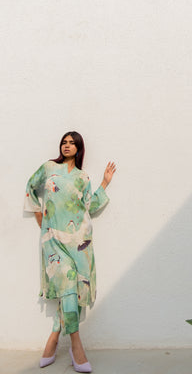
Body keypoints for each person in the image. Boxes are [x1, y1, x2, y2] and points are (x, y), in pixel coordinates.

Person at [24, 131, 116, 372]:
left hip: (79, 241)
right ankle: (76, 344)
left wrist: (104, 183)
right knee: (67, 280)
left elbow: (89, 207)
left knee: (72, 287)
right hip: (53, 240)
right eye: (64, 142)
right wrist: (39, 215)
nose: (67, 146)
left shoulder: (82, 177)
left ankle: (54, 336)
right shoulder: (48, 168)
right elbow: (30, 186)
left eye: (72, 143)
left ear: (78, 148)